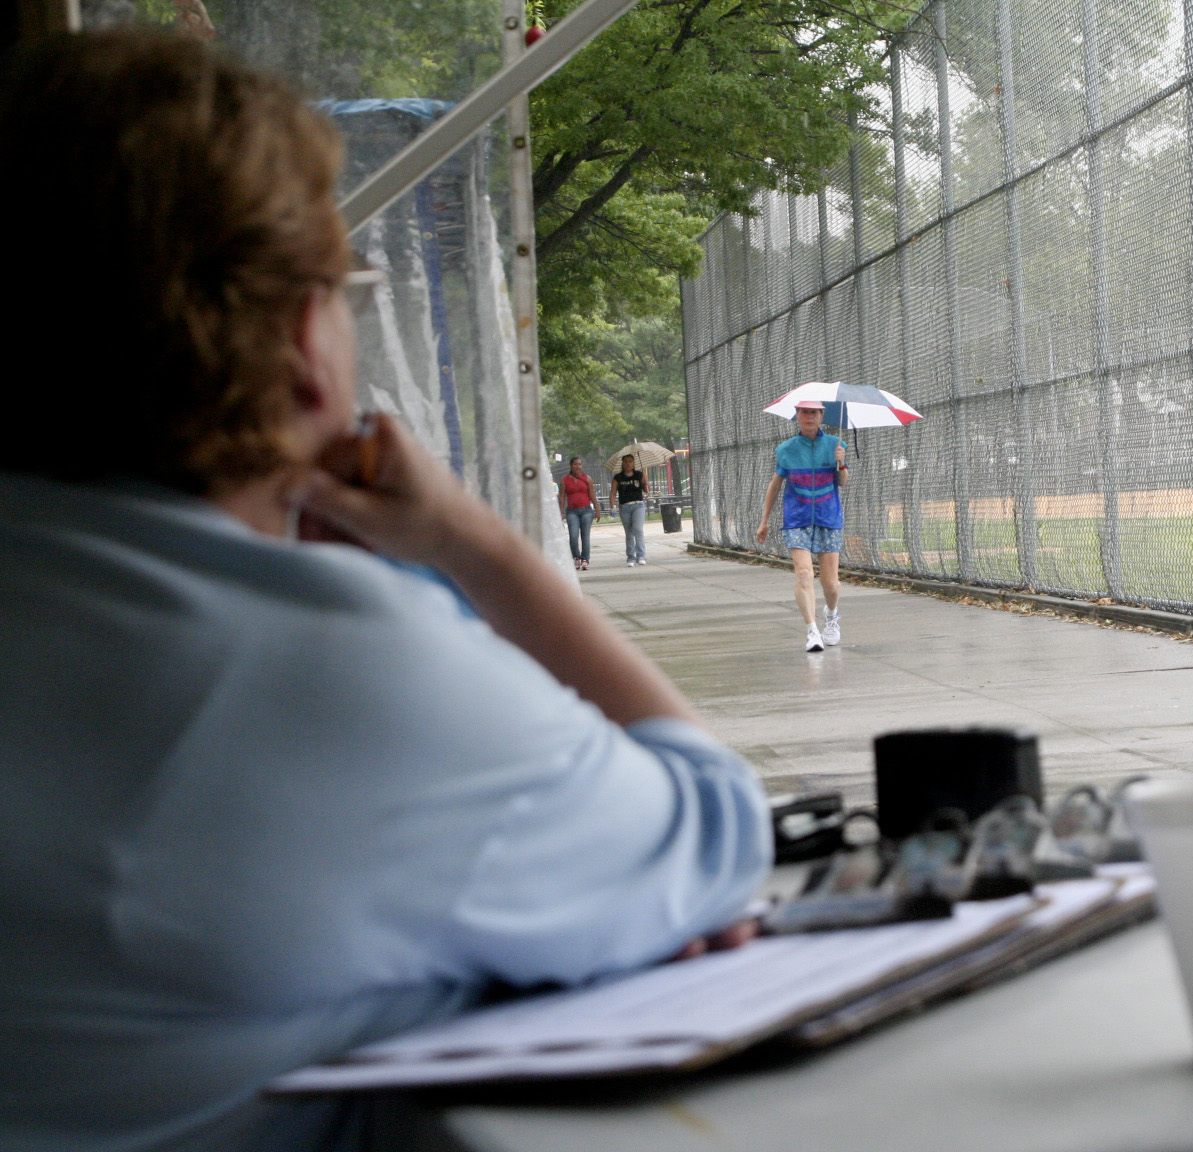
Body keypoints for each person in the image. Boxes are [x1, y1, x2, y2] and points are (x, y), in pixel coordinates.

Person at [0, 31, 769, 1152]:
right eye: (345, 288)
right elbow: (713, 836)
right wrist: (476, 547)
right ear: (300, 342)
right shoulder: (314, 666)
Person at [756, 399, 847, 652]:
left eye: (814, 413)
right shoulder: (786, 449)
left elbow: (842, 481)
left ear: (821, 416)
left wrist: (841, 462)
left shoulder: (835, 445)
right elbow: (775, 485)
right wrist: (764, 520)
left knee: (831, 584)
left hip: (829, 518)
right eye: (804, 412)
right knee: (804, 573)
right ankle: (812, 631)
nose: (809, 417)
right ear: (796, 415)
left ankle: (831, 614)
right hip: (797, 519)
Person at [612, 453, 650, 567]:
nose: (628, 463)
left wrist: (646, 485)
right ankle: (631, 557)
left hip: (638, 505)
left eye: (630, 461)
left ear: (634, 463)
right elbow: (613, 493)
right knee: (629, 532)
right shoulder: (618, 477)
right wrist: (612, 506)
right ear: (622, 464)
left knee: (638, 529)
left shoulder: (639, 475)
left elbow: (646, 489)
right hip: (625, 507)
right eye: (626, 461)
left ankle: (641, 555)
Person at [559, 455, 595, 570]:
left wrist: (597, 510)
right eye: (575, 464)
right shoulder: (565, 480)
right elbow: (562, 497)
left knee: (585, 536)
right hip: (572, 512)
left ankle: (585, 559)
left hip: (586, 511)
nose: (578, 466)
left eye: (579, 464)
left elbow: (592, 495)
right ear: (571, 465)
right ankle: (576, 557)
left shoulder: (587, 478)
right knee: (573, 536)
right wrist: (561, 512)